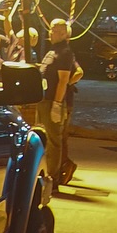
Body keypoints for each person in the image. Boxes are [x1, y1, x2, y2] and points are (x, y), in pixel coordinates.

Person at [39, 18, 80, 186]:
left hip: (52, 101)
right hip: (44, 99)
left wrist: (57, 104)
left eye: (55, 30)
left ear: (64, 33)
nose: (51, 33)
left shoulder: (64, 52)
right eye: (51, 29)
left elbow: (63, 80)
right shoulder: (53, 50)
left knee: (54, 141)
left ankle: (53, 179)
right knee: (49, 139)